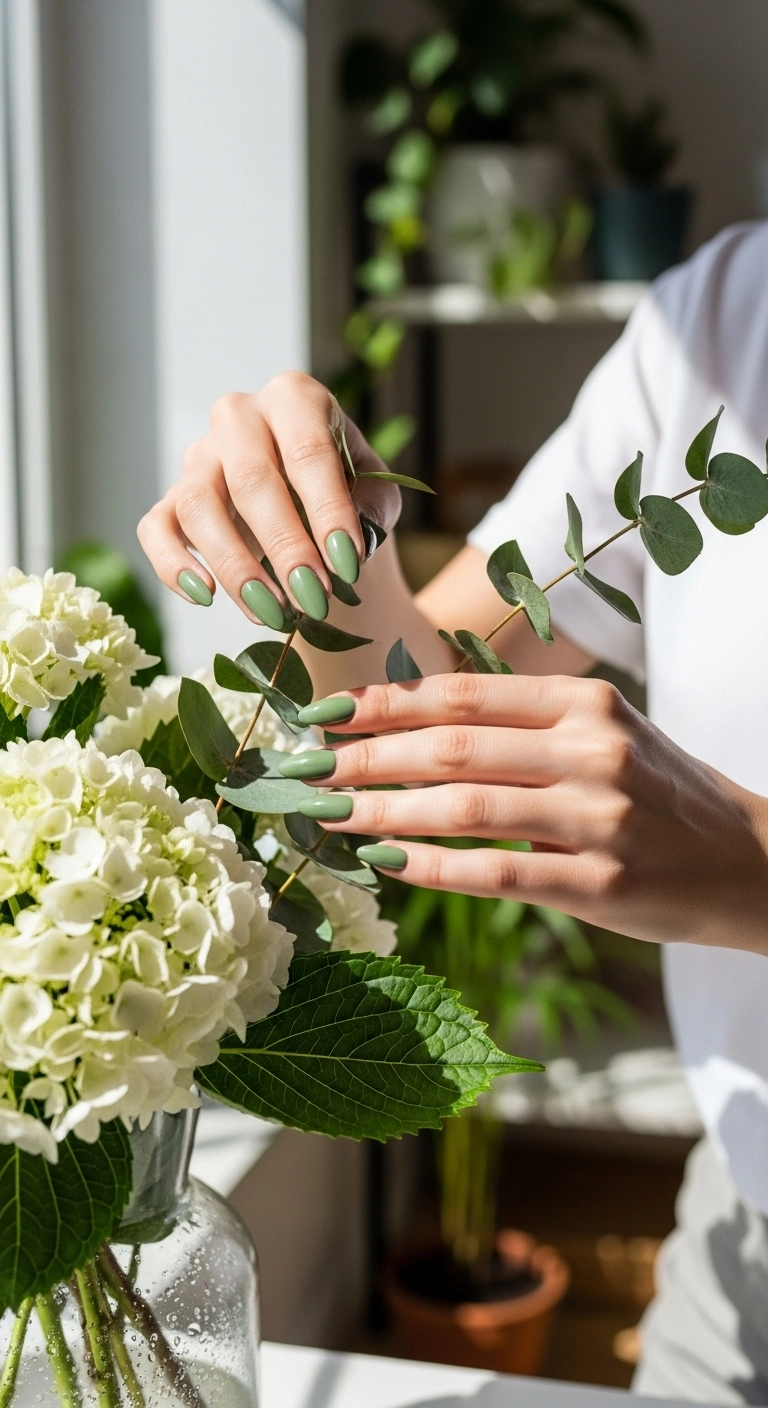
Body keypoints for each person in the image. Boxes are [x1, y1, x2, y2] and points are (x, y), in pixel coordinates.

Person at [140, 221, 768, 1403]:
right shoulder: (725, 321)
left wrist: (753, 864)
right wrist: (333, 545)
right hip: (745, 1223)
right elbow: (407, 704)